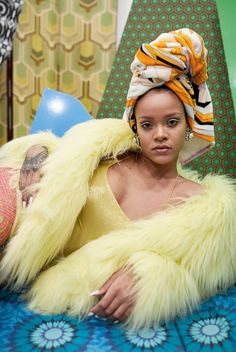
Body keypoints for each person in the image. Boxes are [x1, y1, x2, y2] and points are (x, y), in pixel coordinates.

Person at [0, 28, 235, 329]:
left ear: (188, 125)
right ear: (135, 127)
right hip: (19, 196)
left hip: (26, 262)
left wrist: (149, 275)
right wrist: (35, 153)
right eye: (148, 124)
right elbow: (56, 148)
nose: (160, 134)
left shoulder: (203, 208)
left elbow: (196, 271)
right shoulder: (109, 149)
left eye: (172, 122)